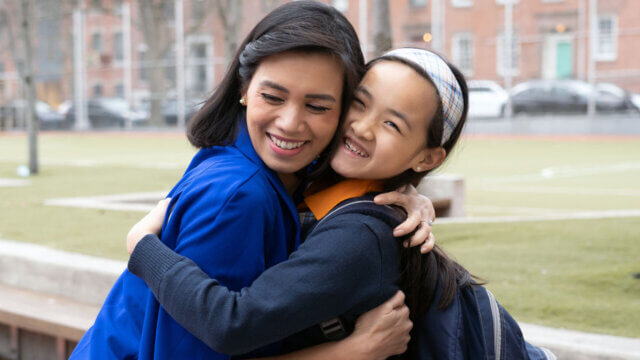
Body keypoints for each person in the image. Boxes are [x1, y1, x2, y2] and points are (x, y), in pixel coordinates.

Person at [126, 48, 556, 359]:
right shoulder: (316, 181)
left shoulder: (360, 237)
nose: (362, 128)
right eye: (358, 103)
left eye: (391, 123)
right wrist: (412, 192)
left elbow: (231, 325)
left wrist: (142, 244)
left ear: (426, 158)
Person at [70, 2, 433, 359]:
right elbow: (216, 334)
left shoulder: (272, 169)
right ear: (243, 89)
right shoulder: (238, 198)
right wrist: (348, 353)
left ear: (341, 111)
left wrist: (402, 187)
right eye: (272, 97)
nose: (290, 122)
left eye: (318, 106)